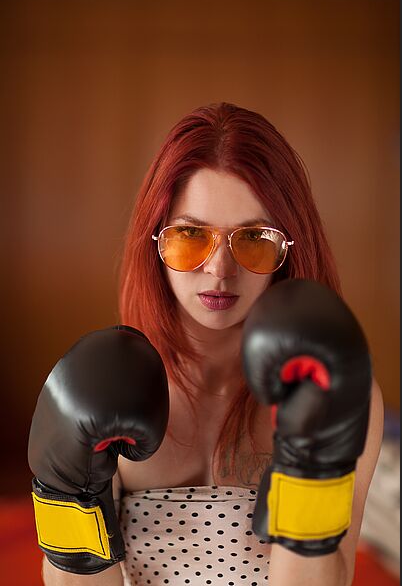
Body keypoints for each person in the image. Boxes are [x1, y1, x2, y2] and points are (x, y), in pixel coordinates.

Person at [40, 102, 384, 586]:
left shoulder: (338, 390)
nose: (220, 269)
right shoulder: (105, 388)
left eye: (254, 238)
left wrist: (311, 470)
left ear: (289, 247)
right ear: (154, 243)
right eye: (190, 235)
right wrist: (66, 499)